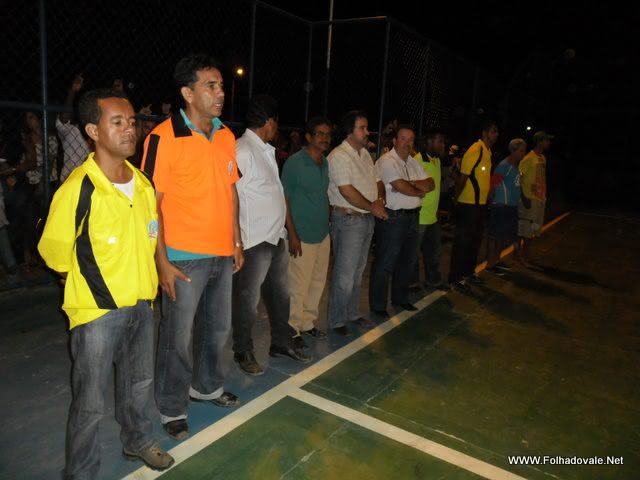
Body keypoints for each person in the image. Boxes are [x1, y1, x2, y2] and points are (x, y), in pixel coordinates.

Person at [38, 88, 174, 478]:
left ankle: (137, 440)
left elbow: (151, 234)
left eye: (132, 121)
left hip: (141, 305)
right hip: (97, 314)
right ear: (93, 131)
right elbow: (55, 253)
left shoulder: (143, 184)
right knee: (90, 400)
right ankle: (81, 471)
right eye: (117, 122)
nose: (130, 129)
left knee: (138, 384)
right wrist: (94, 289)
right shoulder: (79, 188)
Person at [142, 53, 243, 442]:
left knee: (217, 329)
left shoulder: (225, 135)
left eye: (221, 86)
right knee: (177, 337)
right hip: (182, 257)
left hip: (221, 252)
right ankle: (171, 406)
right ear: (187, 93)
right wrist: (161, 260)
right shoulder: (163, 137)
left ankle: (207, 387)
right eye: (211, 86)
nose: (220, 93)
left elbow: (231, 191)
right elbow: (151, 206)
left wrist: (236, 240)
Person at [232, 94, 310, 376]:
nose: (277, 127)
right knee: (247, 301)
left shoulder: (264, 150)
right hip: (253, 240)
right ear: (269, 121)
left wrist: (286, 231)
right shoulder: (242, 150)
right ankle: (243, 349)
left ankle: (280, 343)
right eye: (276, 121)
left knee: (280, 296)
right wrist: (237, 240)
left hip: (275, 236)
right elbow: (231, 195)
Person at [327, 110, 388, 335]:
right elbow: (347, 191)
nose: (367, 131)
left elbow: (377, 182)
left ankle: (351, 313)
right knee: (344, 274)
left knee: (357, 271)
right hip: (349, 219)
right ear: (349, 132)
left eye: (366, 127)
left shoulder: (364, 155)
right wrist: (373, 206)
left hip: (365, 218)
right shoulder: (339, 155)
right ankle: (337, 320)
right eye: (362, 128)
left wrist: (379, 200)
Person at [370, 125, 434, 318]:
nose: (407, 143)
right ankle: (378, 306)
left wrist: (411, 184)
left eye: (411, 139)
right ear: (395, 141)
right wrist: (417, 189)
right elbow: (399, 186)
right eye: (403, 138)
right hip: (393, 218)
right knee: (385, 262)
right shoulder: (386, 161)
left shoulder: (413, 162)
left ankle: (400, 299)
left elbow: (431, 183)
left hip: (413, 217)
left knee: (407, 261)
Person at [281, 116, 332, 347]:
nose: (325, 138)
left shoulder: (325, 162)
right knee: (298, 285)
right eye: (320, 134)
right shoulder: (295, 163)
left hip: (322, 233)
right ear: (308, 137)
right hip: (301, 235)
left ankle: (307, 323)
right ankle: (292, 328)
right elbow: (284, 199)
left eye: (327, 134)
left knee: (318, 281)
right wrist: (292, 234)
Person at [449, 120, 498, 289]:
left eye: (496, 132)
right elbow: (462, 178)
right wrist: (456, 200)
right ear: (484, 133)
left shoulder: (487, 151)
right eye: (493, 131)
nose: (496, 135)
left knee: (475, 241)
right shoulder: (476, 150)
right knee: (463, 242)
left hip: (479, 205)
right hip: (468, 205)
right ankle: (455, 277)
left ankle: (468, 272)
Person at [485, 138, 527, 275]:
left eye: (524, 151)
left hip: (510, 206)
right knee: (494, 236)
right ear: (513, 151)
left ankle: (496, 261)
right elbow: (493, 184)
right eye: (521, 151)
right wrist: (491, 203)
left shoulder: (515, 166)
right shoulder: (504, 165)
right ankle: (490, 264)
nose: (523, 153)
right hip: (501, 205)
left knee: (501, 236)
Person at [413, 129, 447, 290]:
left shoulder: (437, 161)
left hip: (432, 217)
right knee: (413, 254)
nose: (443, 145)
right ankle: (412, 283)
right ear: (429, 142)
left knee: (433, 252)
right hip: (419, 216)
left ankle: (433, 281)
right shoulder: (417, 160)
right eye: (440, 141)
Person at [515, 131, 552, 266]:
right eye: (546, 140)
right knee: (524, 230)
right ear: (539, 142)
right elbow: (518, 178)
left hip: (539, 199)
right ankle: (519, 255)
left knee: (533, 230)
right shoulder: (528, 158)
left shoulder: (542, 158)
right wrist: (523, 196)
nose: (549, 143)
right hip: (529, 198)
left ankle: (526, 254)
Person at [57, 73, 91, 183]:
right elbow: (63, 119)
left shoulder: (95, 129)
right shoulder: (69, 131)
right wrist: (72, 92)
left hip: (91, 180)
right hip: (70, 180)